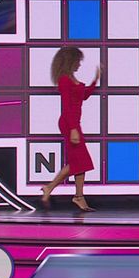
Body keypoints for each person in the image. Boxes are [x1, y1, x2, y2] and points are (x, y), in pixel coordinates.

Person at [40, 46, 101, 212]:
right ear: (70, 61)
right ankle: (55, 189)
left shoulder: (71, 78)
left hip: (73, 123)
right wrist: (73, 128)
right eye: (78, 61)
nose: (79, 64)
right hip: (69, 123)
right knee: (79, 162)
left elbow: (84, 96)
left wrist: (95, 81)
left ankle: (74, 195)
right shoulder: (64, 80)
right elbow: (67, 107)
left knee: (80, 162)